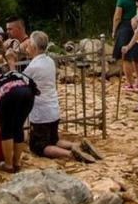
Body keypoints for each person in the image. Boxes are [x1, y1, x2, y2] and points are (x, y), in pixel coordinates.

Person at [23, 31, 102, 163]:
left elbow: (20, 80)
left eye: (29, 45)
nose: (27, 48)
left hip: (41, 113)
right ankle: (77, 146)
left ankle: (70, 154)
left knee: (39, 146)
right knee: (54, 140)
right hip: (53, 109)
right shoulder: (49, 61)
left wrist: (12, 63)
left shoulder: (33, 67)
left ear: (34, 47)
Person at [0, 49, 36, 173]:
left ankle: (8, 165)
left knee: (7, 129)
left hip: (8, 94)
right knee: (18, 127)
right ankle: (17, 163)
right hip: (28, 92)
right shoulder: (3, 77)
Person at [111, 0, 138, 91]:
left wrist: (114, 30)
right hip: (137, 26)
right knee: (137, 56)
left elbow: (117, 16)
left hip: (125, 27)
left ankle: (131, 83)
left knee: (126, 57)